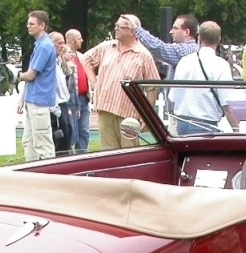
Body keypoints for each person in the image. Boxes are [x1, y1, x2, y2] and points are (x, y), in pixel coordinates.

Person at [83, 14, 160, 149]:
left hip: (129, 115)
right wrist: (94, 81)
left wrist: (148, 115)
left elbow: (152, 86)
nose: (116, 29)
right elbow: (85, 59)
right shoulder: (106, 47)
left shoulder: (143, 55)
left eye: (121, 27)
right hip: (105, 109)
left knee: (129, 155)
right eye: (116, 26)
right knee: (108, 155)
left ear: (133, 31)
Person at [169, 21, 238, 136]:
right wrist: (237, 130)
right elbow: (227, 104)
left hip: (182, 123)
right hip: (206, 126)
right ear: (219, 40)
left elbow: (173, 98)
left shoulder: (184, 62)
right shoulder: (221, 65)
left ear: (199, 38)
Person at [16, 10, 57, 162]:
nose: (28, 26)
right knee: (29, 143)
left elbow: (31, 75)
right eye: (28, 23)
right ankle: (31, 176)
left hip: (40, 101)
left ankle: (49, 178)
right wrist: (22, 98)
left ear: (42, 25)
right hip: (31, 99)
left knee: (42, 144)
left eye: (32, 24)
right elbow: (31, 79)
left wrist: (14, 76)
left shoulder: (44, 46)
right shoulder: (39, 45)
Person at [132, 14, 198, 79]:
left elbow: (159, 48)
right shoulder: (185, 49)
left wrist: (136, 29)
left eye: (175, 28)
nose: (171, 32)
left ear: (186, 32)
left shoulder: (188, 50)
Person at [64, 29, 91, 153]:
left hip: (84, 98)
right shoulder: (64, 59)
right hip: (71, 101)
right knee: (72, 131)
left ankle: (82, 156)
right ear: (72, 40)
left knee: (84, 131)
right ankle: (70, 157)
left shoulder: (82, 57)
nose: (82, 40)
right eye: (79, 38)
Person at [50, 31, 74, 155]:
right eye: (59, 43)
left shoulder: (58, 62)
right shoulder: (49, 64)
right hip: (57, 106)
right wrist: (54, 107)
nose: (62, 46)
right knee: (60, 139)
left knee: (68, 134)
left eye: (64, 43)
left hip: (64, 104)